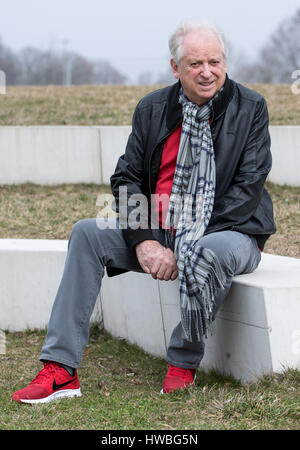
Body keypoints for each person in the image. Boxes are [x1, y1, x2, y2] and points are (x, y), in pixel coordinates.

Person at [12, 19, 276, 404]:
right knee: (87, 232)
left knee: (207, 251)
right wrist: (146, 241)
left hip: (230, 231)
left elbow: (248, 186)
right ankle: (60, 370)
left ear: (225, 63)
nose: (207, 72)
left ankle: (183, 362)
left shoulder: (250, 107)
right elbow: (127, 178)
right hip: (160, 228)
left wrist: (186, 243)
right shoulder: (152, 108)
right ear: (175, 68)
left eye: (215, 62)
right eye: (195, 63)